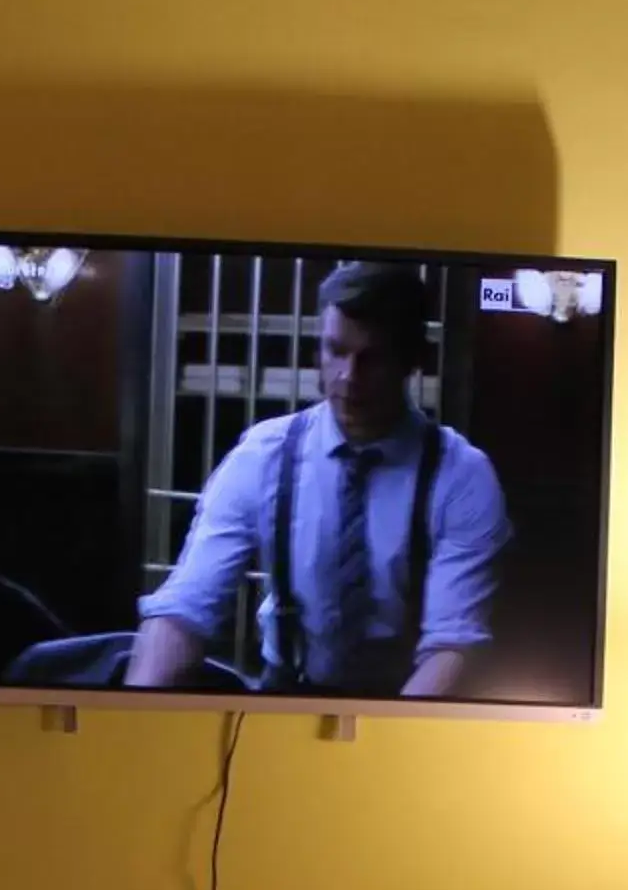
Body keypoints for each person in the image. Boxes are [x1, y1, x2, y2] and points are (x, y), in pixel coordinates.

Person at [128, 262, 509, 697]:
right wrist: (131, 711)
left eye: (372, 358)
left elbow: (453, 643)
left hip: (409, 701)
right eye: (336, 351)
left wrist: (392, 741)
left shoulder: (461, 476)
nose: (349, 377)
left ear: (412, 360)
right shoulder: (263, 455)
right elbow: (185, 607)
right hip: (284, 693)